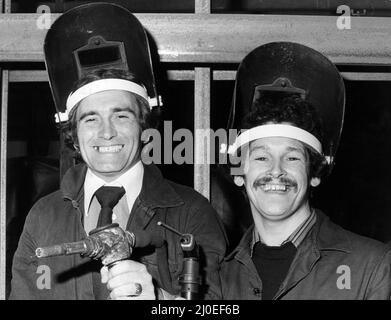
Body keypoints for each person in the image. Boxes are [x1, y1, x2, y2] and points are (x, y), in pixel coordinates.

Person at [10, 3, 227, 300]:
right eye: (90, 119)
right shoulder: (43, 216)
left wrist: (162, 301)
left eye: (121, 115)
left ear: (143, 125)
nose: (106, 131)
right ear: (73, 133)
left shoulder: (192, 213)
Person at [219, 42, 391, 300]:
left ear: (315, 174)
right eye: (262, 156)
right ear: (238, 172)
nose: (275, 171)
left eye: (292, 157)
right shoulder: (219, 278)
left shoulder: (371, 267)